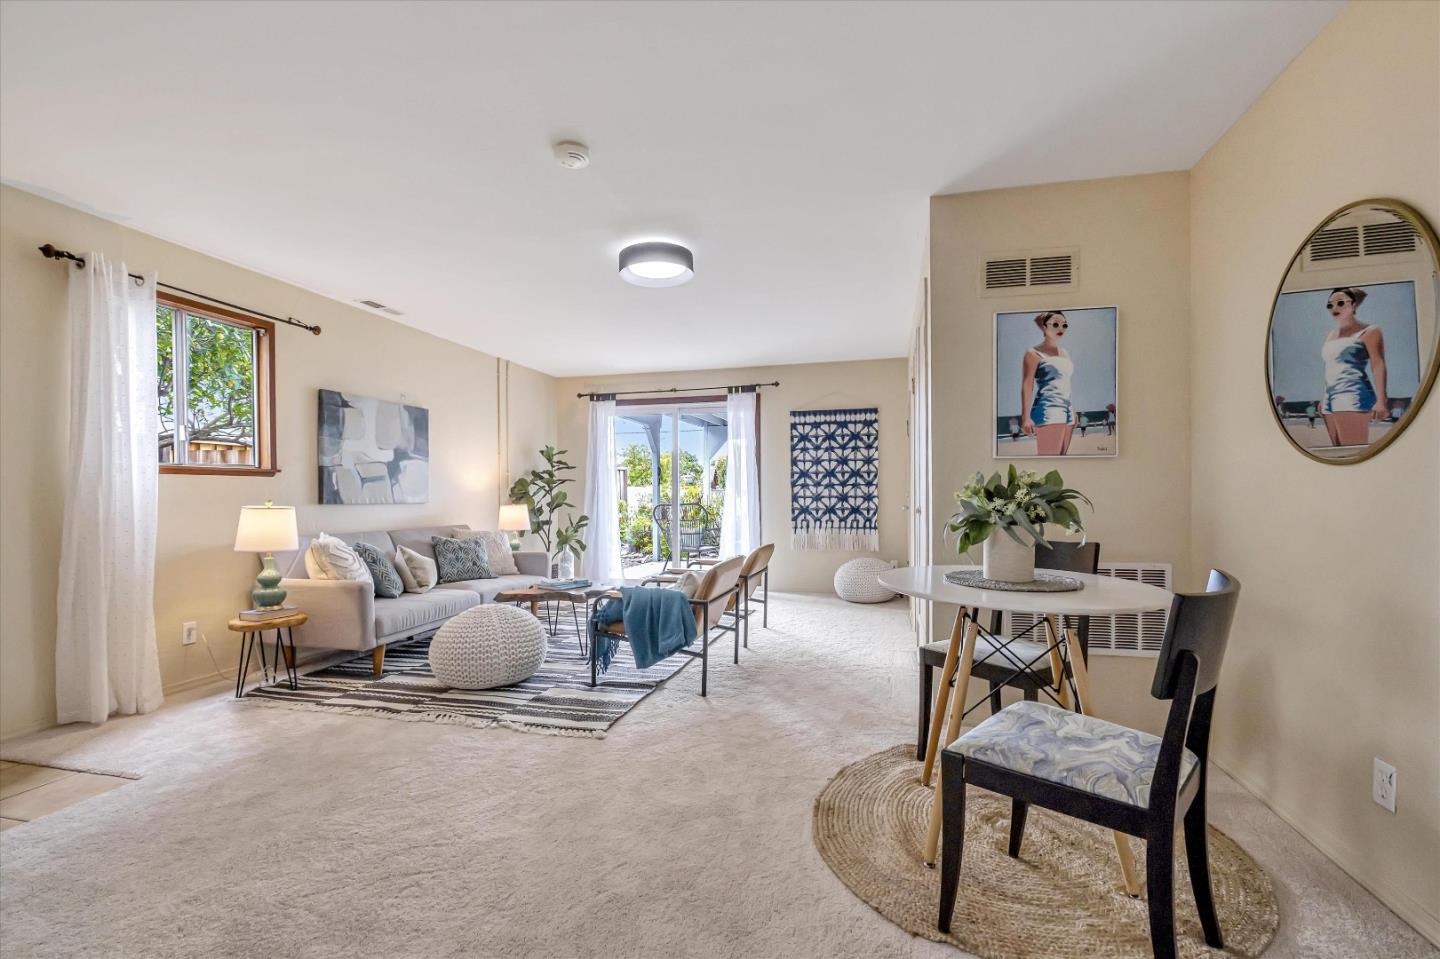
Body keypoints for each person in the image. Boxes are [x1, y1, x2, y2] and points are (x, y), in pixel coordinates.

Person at [1320, 287, 1388, 447]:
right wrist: (1323, 397)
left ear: (1354, 305)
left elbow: (1378, 365)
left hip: (1352, 394)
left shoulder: (1370, 331)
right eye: (1330, 305)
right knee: (1337, 453)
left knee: (1353, 450)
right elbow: (1331, 367)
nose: (1334, 308)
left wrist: (1381, 401)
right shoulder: (1330, 335)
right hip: (1329, 397)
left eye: (1340, 303)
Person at [1020, 311, 1075, 455]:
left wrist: (1073, 409)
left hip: (1068, 409)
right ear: (1044, 327)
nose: (1060, 329)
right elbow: (1027, 384)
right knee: (1049, 460)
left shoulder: (1065, 353)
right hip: (1048, 408)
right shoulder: (1033, 353)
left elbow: (1065, 382)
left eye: (1064, 325)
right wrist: (1026, 417)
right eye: (1055, 325)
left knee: (1062, 460)